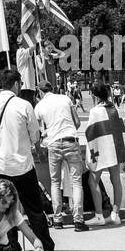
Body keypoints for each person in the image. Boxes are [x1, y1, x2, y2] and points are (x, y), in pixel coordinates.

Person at [0, 70, 66, 251]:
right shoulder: (24, 105)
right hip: (22, 166)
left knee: (5, 211)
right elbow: (35, 135)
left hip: (0, 166)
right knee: (35, 210)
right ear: (17, 84)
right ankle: (46, 249)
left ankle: (11, 249)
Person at [35, 77, 88, 233]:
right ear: (52, 88)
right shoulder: (65, 98)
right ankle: (78, 220)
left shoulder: (39, 106)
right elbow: (77, 122)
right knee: (76, 181)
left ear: (39, 91)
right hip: (71, 140)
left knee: (55, 182)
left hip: (53, 144)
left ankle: (58, 219)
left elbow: (37, 130)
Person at [85, 84, 125, 225]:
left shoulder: (94, 111)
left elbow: (91, 133)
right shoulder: (113, 109)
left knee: (93, 181)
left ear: (95, 96)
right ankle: (115, 214)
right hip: (114, 148)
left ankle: (99, 216)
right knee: (115, 179)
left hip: (100, 150)